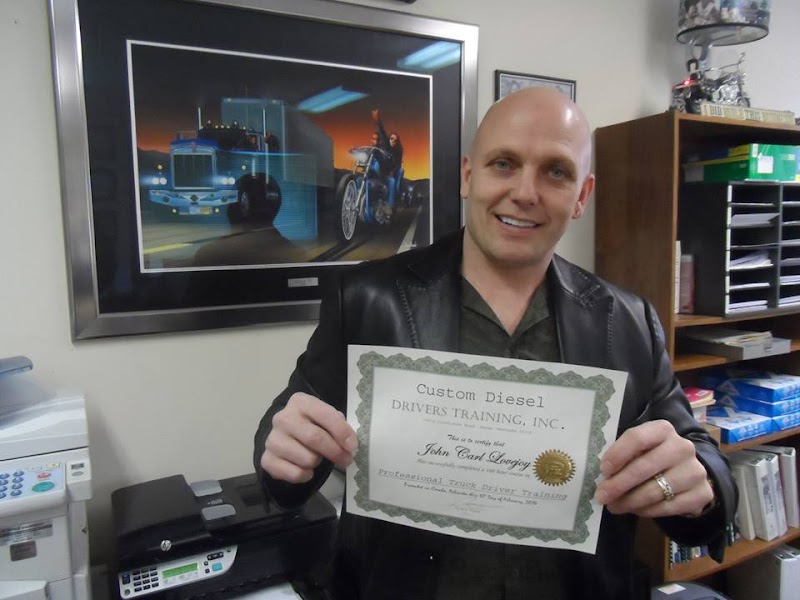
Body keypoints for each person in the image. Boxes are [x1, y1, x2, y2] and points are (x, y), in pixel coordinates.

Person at [254, 88, 736, 600]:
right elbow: (285, 451)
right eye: (503, 163)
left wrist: (699, 485)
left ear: (582, 195)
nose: (525, 193)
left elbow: (702, 471)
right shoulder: (367, 300)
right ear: (468, 176)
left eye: (556, 171)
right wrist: (284, 455)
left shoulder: (629, 321)